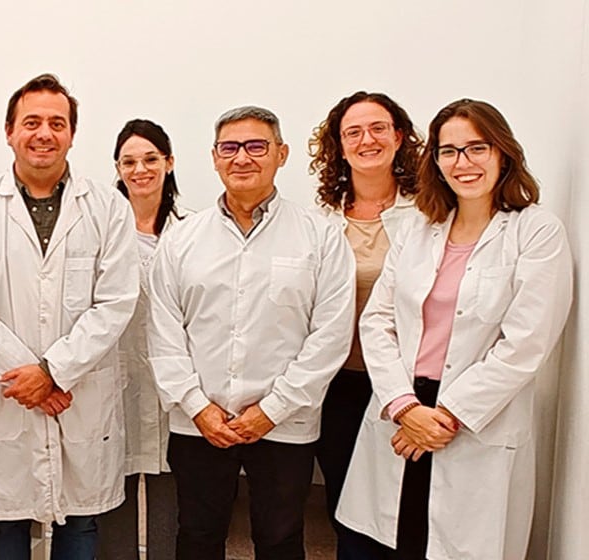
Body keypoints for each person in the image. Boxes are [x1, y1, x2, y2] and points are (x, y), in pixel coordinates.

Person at [337, 99, 573, 560]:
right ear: (436, 161)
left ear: (503, 153)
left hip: (472, 417)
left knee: (458, 546)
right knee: (388, 541)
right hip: (403, 407)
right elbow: (378, 321)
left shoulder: (536, 232)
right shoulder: (417, 229)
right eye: (449, 151)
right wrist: (406, 407)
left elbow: (526, 343)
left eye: (476, 148)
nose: (462, 163)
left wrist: (444, 416)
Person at [0, 73, 139, 560]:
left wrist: (51, 372)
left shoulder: (108, 209)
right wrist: (32, 378)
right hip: (5, 393)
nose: (44, 133)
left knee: (79, 523)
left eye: (57, 122)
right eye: (32, 122)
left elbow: (115, 302)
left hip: (76, 393)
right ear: (9, 131)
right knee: (5, 529)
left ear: (72, 133)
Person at [148, 105, 355, 560]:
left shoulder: (319, 237)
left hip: (284, 422)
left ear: (281, 154)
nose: (242, 157)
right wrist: (198, 407)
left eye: (256, 146)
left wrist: (273, 408)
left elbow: (330, 336)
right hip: (200, 422)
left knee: (280, 539)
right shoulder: (182, 239)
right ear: (215, 157)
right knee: (198, 536)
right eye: (230, 147)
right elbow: (164, 333)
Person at [308, 91, 423, 559]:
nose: (367, 140)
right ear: (339, 145)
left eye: (378, 128)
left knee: (404, 501)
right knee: (345, 502)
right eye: (353, 132)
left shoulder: (427, 214)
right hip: (338, 382)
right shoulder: (319, 222)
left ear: (398, 137)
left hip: (402, 384)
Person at [96, 118, 185, 560]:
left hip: (176, 381)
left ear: (169, 163)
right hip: (116, 374)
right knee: (115, 483)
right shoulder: (101, 233)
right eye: (129, 161)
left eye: (151, 159)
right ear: (118, 168)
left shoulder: (189, 233)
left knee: (173, 483)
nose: (140, 169)